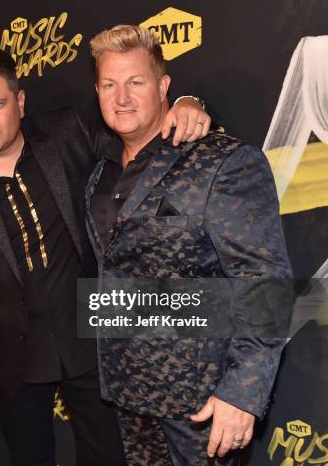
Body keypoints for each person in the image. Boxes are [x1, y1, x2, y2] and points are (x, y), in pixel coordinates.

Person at [0, 47, 210, 466]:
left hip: (91, 338)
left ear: (19, 103)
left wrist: (189, 103)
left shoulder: (67, 131)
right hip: (13, 355)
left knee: (109, 457)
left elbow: (141, 137)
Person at [86, 24, 292, 465]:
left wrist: (242, 394)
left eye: (135, 82)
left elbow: (265, 282)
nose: (121, 97)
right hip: (128, 394)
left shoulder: (224, 161)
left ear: (163, 86)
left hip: (202, 405)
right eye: (109, 84)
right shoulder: (100, 169)